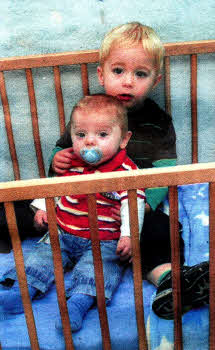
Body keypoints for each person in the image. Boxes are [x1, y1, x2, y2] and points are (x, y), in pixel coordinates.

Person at [47, 22, 209, 320]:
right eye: (118, 71)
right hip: (81, 203)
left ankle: (169, 281)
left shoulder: (157, 121)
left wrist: (145, 206)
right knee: (18, 205)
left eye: (140, 74)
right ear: (101, 74)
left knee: (162, 226)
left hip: (130, 205)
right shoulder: (90, 111)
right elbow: (64, 149)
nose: (128, 82)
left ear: (155, 80)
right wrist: (58, 160)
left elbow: (163, 172)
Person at [0, 94, 145, 331]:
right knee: (40, 258)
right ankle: (20, 293)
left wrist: (129, 235)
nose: (89, 142)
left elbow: (133, 204)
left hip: (104, 240)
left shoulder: (126, 172)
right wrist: (41, 207)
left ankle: (77, 304)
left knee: (99, 269)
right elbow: (55, 188)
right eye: (80, 135)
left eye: (102, 135)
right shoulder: (72, 162)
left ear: (123, 139)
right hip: (64, 231)